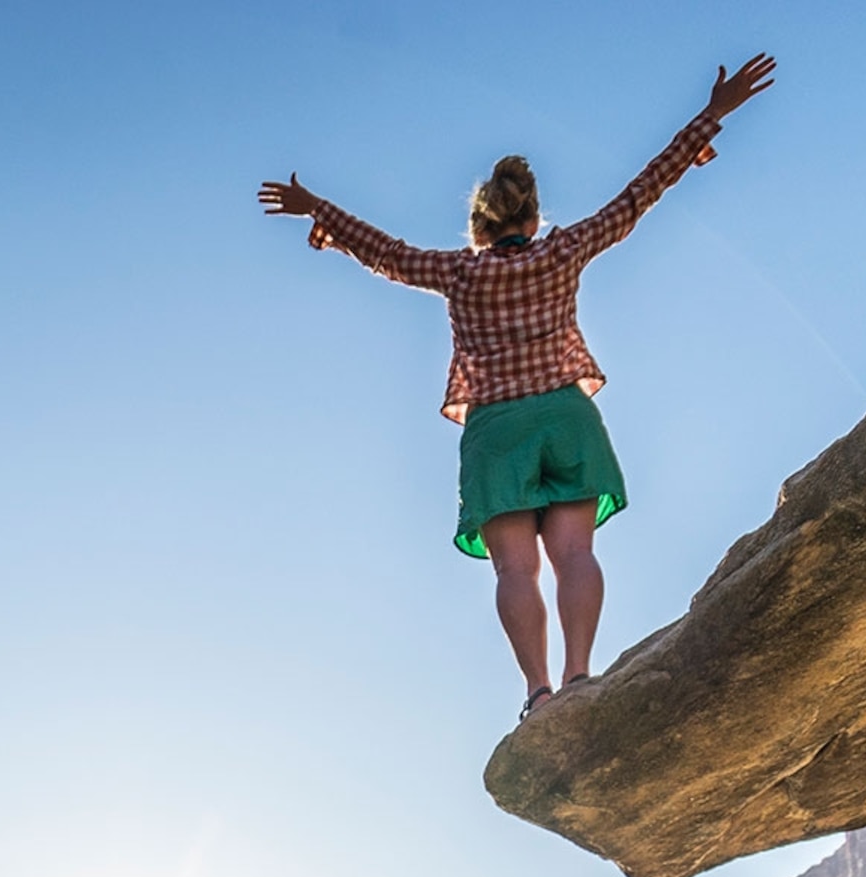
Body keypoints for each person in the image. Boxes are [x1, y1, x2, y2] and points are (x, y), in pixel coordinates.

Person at [260, 55, 776, 719]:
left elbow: (385, 253)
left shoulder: (459, 273)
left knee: (515, 571)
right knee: (575, 553)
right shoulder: (562, 251)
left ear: (477, 230)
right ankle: (580, 676)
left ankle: (538, 693)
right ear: (531, 221)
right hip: (565, 415)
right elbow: (639, 195)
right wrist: (709, 115)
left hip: (497, 429)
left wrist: (319, 212)